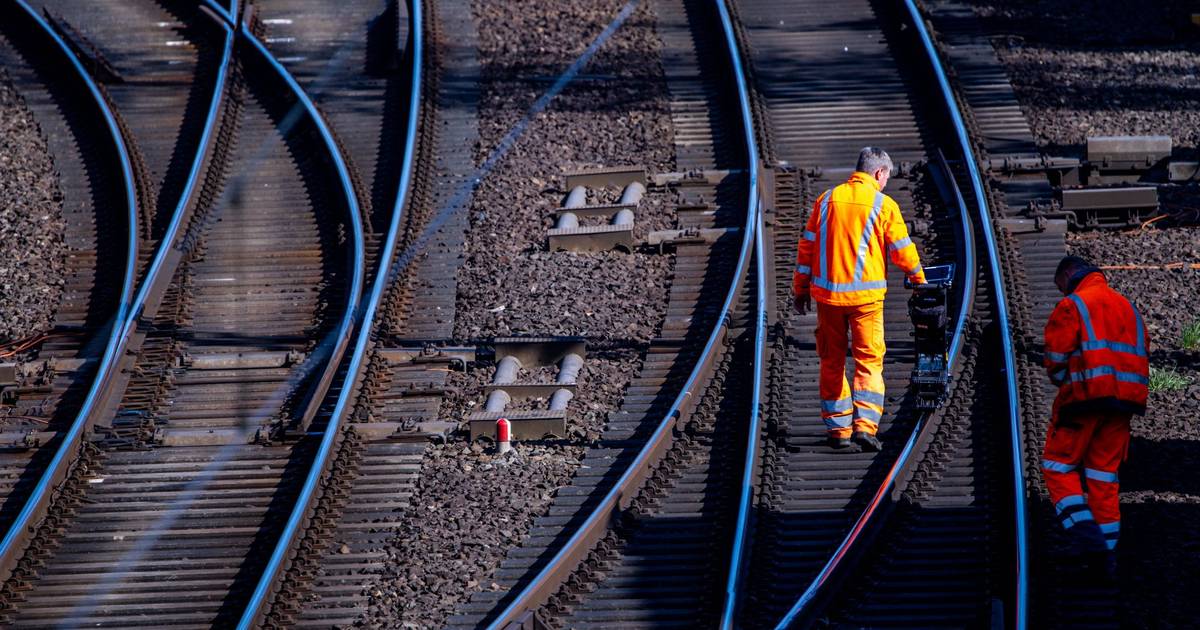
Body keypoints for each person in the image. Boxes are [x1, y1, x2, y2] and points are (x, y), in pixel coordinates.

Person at [792, 147, 926, 451]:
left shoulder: (826, 201)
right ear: (878, 173)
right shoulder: (883, 204)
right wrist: (919, 280)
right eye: (887, 177)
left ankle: (839, 430)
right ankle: (865, 427)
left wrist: (800, 289)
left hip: (828, 300)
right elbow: (902, 249)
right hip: (866, 302)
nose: (886, 183)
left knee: (831, 361)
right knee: (868, 361)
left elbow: (806, 250)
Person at [1041, 256, 1149, 571]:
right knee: (1103, 475)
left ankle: (1088, 539)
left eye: (1061, 286)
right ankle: (1107, 554)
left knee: (1057, 467)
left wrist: (1067, 383)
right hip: (1124, 405)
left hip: (1083, 402)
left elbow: (1056, 360)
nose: (1062, 292)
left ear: (1069, 275)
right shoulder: (1127, 306)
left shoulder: (1073, 305)